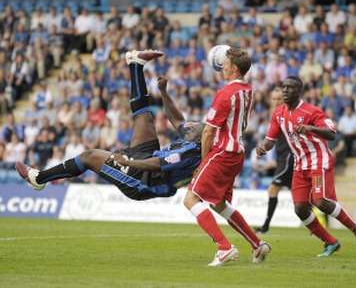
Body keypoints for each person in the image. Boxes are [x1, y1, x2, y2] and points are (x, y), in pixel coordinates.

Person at [16, 50, 203, 201]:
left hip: (145, 181)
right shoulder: (194, 137)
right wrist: (163, 92)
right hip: (149, 158)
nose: (191, 125)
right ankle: (136, 64)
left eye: (195, 127)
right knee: (143, 116)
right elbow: (177, 120)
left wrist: (129, 162)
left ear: (200, 137)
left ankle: (38, 179)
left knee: (90, 156)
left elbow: (157, 165)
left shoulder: (190, 152)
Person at [257, 76, 356, 257]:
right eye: (283, 87)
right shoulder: (278, 113)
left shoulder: (311, 111)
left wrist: (310, 128)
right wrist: (263, 147)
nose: (285, 90)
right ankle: (330, 242)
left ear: (299, 92)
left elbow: (332, 133)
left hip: (318, 160)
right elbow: (270, 140)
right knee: (300, 208)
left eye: (290, 88)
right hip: (300, 164)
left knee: (320, 201)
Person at [183, 47, 271, 267]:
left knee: (191, 199)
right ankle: (257, 244)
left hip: (222, 152)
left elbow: (208, 132)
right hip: (237, 153)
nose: (222, 65)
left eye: (226, 62)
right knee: (219, 204)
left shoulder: (224, 94)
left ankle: (224, 248)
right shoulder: (247, 90)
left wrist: (203, 162)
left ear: (234, 68)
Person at [255, 88, 294, 234]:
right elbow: (271, 139)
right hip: (282, 157)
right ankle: (322, 219)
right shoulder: (275, 115)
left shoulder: (287, 114)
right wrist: (264, 147)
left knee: (273, 189)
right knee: (300, 198)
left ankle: (265, 226)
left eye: (279, 99)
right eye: (274, 99)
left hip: (289, 158)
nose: (276, 102)